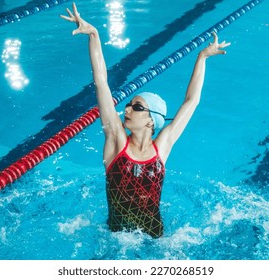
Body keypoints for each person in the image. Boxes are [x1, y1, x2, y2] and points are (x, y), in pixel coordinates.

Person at [61, 3, 230, 238]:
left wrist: (202, 57)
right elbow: (101, 82)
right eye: (129, 104)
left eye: (137, 107)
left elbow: (191, 101)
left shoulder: (162, 147)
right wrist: (93, 34)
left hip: (157, 238)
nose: (127, 109)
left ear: (152, 121)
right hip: (115, 239)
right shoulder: (117, 141)